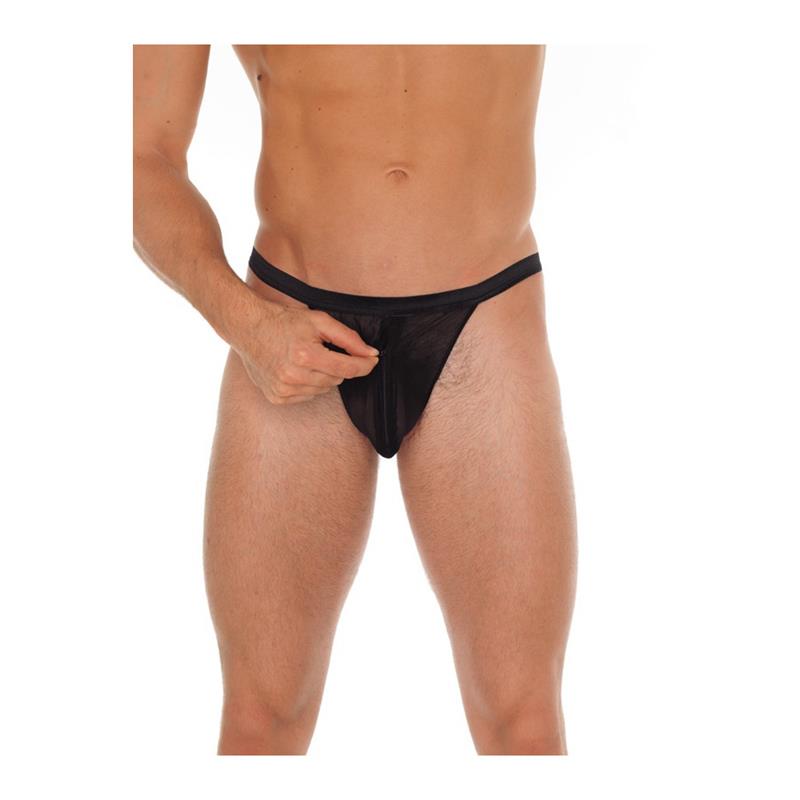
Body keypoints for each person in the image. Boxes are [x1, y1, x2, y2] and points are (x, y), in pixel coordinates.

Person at [132, 44, 577, 755]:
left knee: (521, 720)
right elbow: (140, 157)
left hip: (485, 313)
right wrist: (247, 325)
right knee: (261, 719)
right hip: (288, 318)